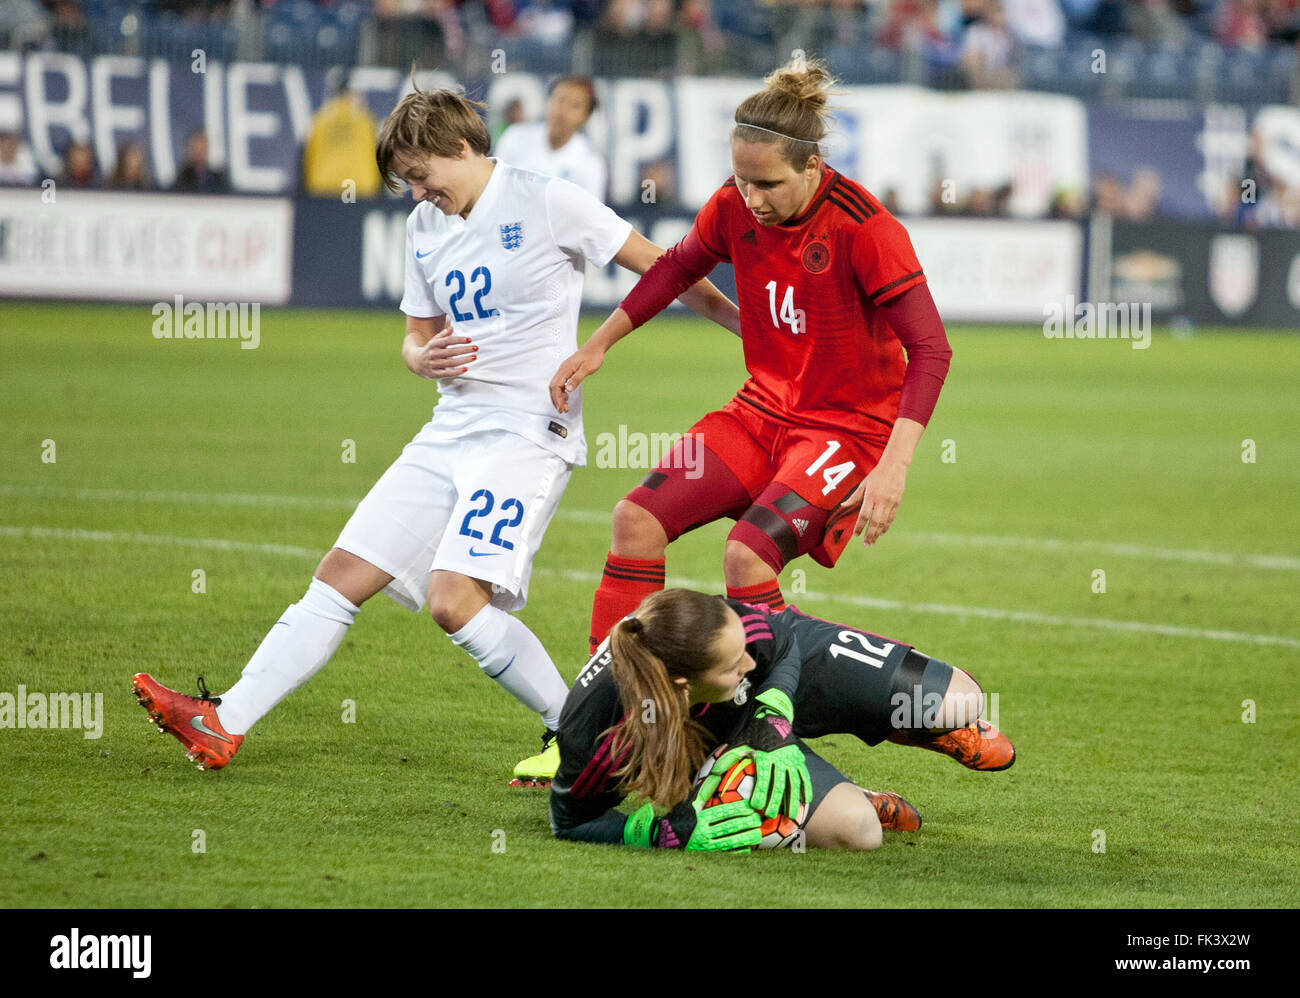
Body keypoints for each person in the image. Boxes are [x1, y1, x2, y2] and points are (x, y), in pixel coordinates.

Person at [133, 83, 740, 784]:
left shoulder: (547, 200)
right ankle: (223, 721)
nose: (417, 193)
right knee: (340, 574)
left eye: (421, 176)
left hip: (525, 433)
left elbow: (668, 267)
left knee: (454, 602)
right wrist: (425, 358)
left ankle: (580, 732)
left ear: (460, 147)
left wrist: (742, 327)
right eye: (405, 183)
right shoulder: (427, 229)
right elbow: (415, 338)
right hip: (450, 427)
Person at [549, 57, 954, 655]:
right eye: (741, 180)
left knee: (746, 554)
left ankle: (777, 713)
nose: (751, 198)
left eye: (767, 184)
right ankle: (614, 713)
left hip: (846, 430)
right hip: (761, 411)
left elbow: (931, 349)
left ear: (813, 166)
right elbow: (675, 269)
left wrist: (893, 466)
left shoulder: (865, 229)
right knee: (634, 521)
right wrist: (598, 343)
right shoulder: (732, 206)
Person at [549, 588, 1015, 850]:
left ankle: (922, 730)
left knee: (959, 701)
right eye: (733, 666)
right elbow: (568, 820)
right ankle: (856, 795)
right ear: (680, 684)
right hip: (717, 733)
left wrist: (773, 714)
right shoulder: (597, 733)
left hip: (789, 669)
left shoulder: (726, 629)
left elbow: (781, 646)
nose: (747, 665)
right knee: (860, 832)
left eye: (742, 654)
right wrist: (647, 830)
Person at [494, 76, 606, 200]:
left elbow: (588, 214)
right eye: (560, 99)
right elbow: (494, 190)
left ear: (585, 117)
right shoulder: (514, 137)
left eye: (575, 106)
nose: (562, 111)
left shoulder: (590, 163)